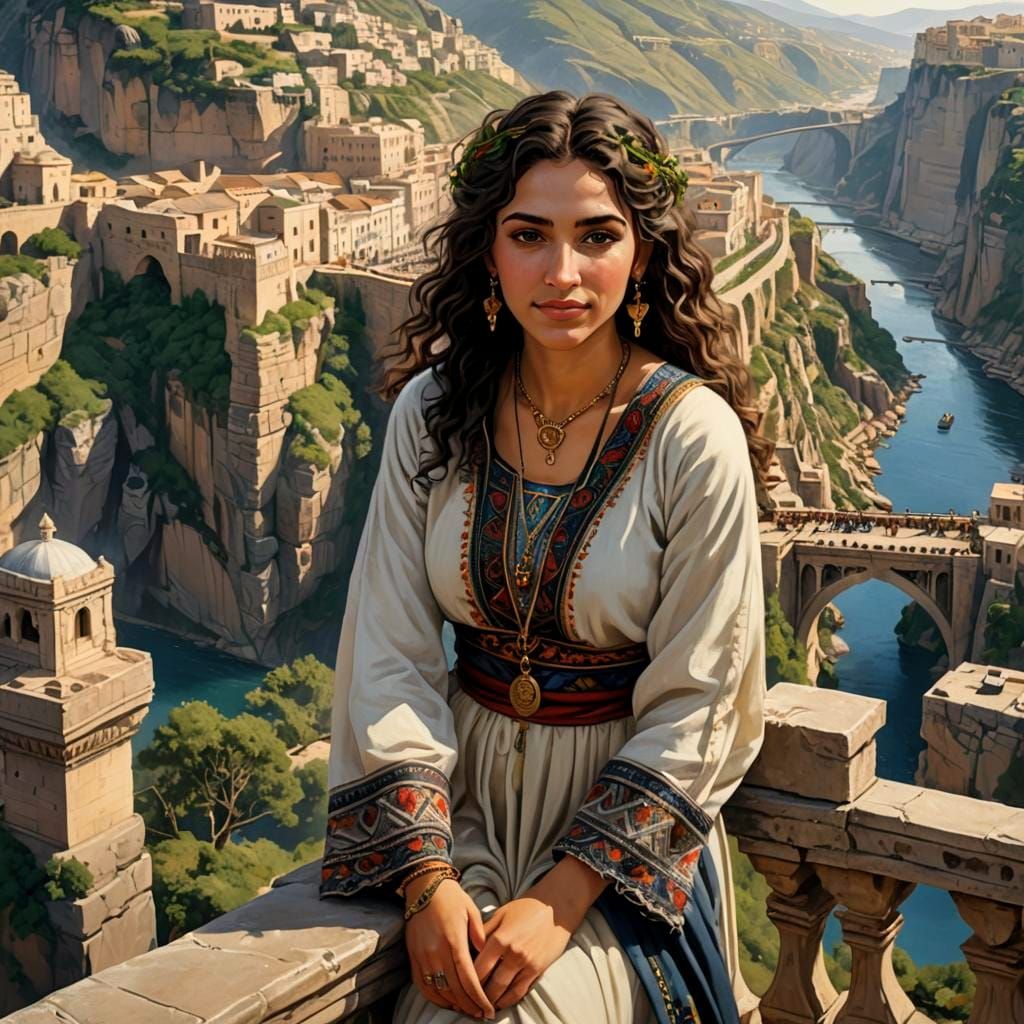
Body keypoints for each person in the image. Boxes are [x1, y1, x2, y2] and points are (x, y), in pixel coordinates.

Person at [319, 90, 771, 1024]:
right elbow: (389, 650)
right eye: (529, 234)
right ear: (488, 250)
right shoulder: (431, 415)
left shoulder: (692, 437)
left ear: (640, 254)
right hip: (463, 811)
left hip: (616, 848)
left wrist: (562, 898)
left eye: (596, 236)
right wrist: (426, 878)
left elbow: (704, 698)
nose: (562, 271)